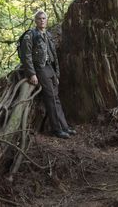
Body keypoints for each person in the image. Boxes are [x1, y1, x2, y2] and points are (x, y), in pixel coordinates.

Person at [21, 10, 76, 139]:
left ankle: (65, 126)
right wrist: (32, 74)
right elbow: (26, 56)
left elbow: (54, 55)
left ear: (47, 20)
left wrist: (56, 73)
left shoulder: (48, 35)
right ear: (35, 21)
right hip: (39, 69)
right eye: (39, 18)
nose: (42, 20)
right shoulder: (30, 35)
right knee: (51, 97)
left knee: (56, 98)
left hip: (49, 68)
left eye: (44, 18)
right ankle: (57, 129)